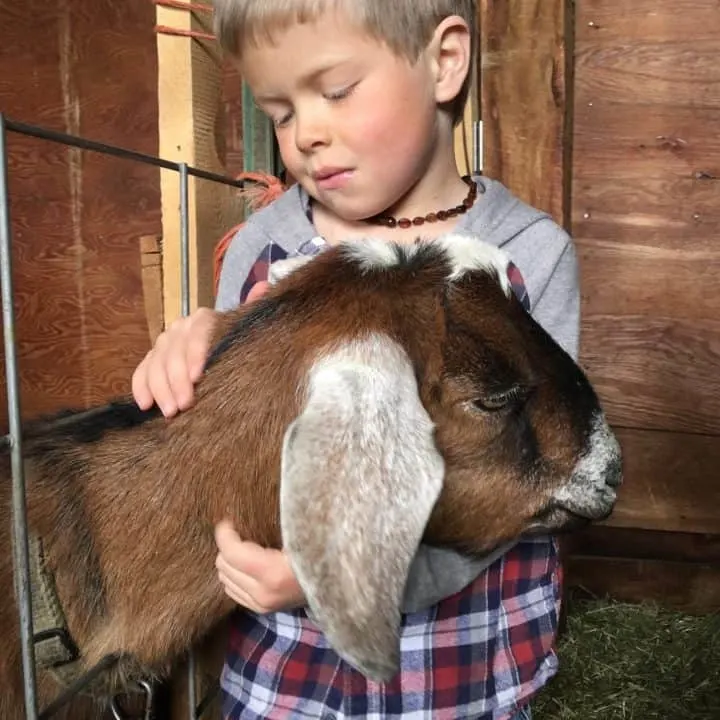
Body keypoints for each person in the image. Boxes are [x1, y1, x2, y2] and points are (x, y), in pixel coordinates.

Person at [132, 1, 579, 717]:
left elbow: (535, 477)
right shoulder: (259, 254)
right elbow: (233, 450)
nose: (305, 133)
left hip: (458, 674)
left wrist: (329, 577)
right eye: (279, 112)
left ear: (444, 62)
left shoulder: (528, 255)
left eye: (335, 91)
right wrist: (197, 346)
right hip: (290, 676)